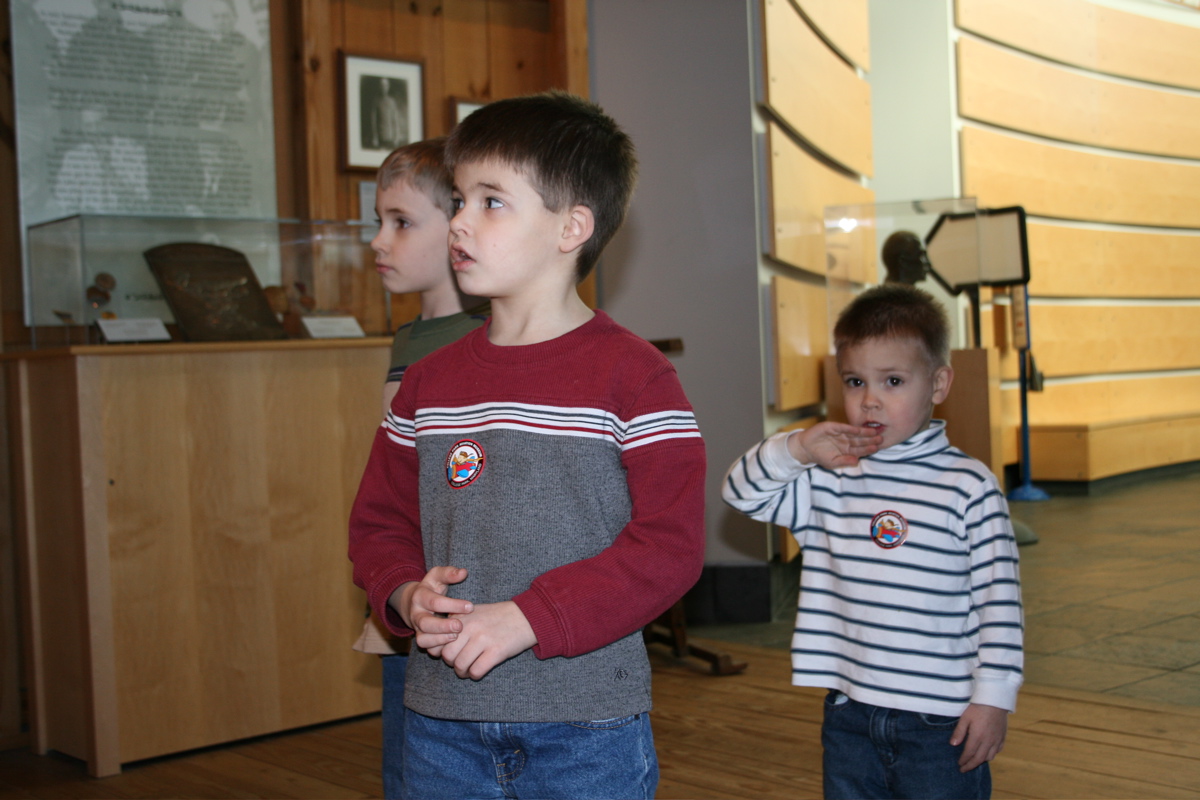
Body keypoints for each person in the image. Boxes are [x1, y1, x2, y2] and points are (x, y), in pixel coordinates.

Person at [348, 91, 706, 800]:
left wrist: (530, 617)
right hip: (440, 722)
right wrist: (405, 592)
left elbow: (669, 546)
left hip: (586, 727)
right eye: (458, 200)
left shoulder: (636, 377)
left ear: (571, 227)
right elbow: (379, 522)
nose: (459, 221)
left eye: (491, 202)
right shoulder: (427, 383)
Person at [722, 283, 1023, 800]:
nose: (870, 399)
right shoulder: (830, 477)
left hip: (941, 719)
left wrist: (994, 698)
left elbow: (1000, 603)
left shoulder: (969, 486)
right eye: (855, 381)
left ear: (938, 383)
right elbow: (740, 493)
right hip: (850, 711)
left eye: (893, 381)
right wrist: (797, 448)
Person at [350, 136, 487, 800]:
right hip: (409, 584)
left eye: (401, 222)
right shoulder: (409, 337)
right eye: (379, 221)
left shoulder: (481, 337)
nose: (379, 241)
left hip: (460, 592)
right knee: (407, 768)